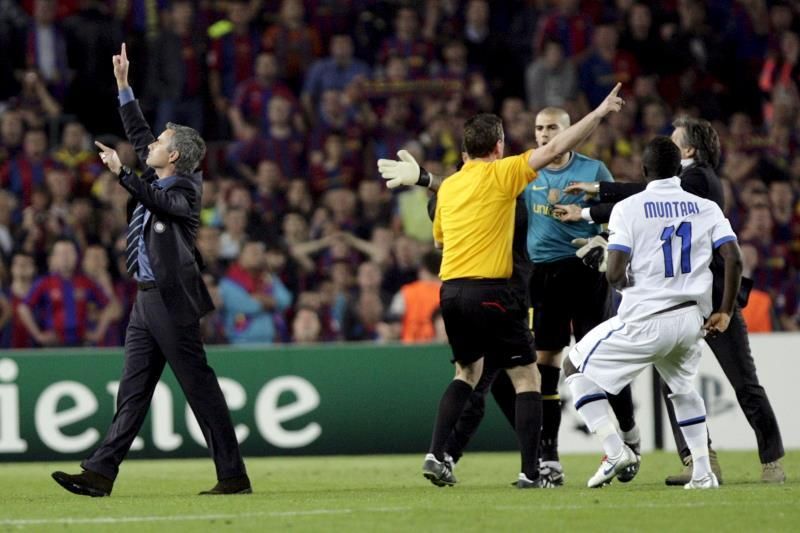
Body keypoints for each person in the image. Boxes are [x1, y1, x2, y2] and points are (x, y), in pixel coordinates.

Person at [385, 84, 624, 489]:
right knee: (527, 378)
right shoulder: (505, 174)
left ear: (464, 151)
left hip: (451, 292)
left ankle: (437, 454)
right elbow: (554, 150)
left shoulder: (451, 188)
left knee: (467, 374)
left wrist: (426, 178)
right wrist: (598, 113)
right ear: (498, 146)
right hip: (496, 291)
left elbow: (440, 241)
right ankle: (533, 470)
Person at [51, 44, 251, 497]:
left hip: (169, 298)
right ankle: (100, 473)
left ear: (174, 157)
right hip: (146, 298)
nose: (151, 146)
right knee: (134, 390)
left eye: (160, 143)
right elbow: (140, 134)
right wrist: (124, 86)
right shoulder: (162, 176)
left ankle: (233, 475)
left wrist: (123, 174)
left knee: (199, 388)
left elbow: (158, 201)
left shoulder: (184, 190)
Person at [557, 117, 786, 484]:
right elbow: (734, 258)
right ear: (676, 165)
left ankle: (616, 450)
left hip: (655, 312)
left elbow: (616, 272)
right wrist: (725, 311)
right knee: (682, 386)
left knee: (573, 366)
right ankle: (701, 468)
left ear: (649, 167)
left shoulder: (657, 197)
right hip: (697, 310)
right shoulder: (703, 204)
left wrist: (606, 257)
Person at [17, 239, 119, 347]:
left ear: (76, 256)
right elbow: (23, 308)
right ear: (54, 258)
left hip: (81, 344)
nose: (65, 257)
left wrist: (98, 333)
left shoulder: (86, 282)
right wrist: (38, 335)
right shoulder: (44, 283)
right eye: (61, 253)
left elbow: (110, 306)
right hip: (53, 345)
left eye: (69, 252)